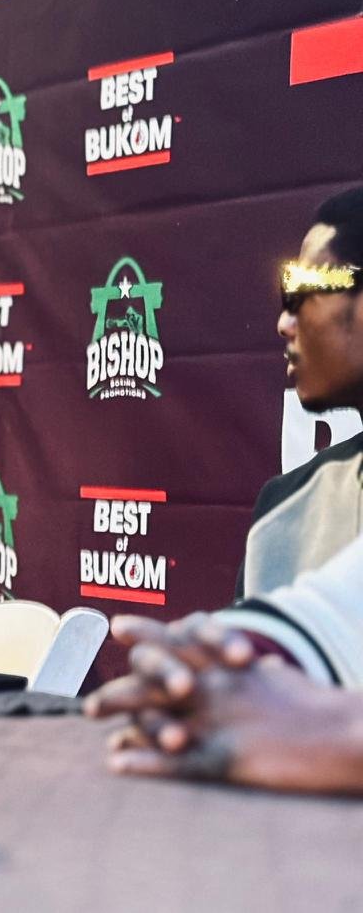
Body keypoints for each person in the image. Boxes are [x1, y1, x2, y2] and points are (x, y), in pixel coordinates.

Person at [86, 185, 363, 788]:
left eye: (304, 290)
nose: (284, 321)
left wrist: (331, 733)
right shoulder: (287, 508)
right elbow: (325, 622)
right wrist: (203, 670)